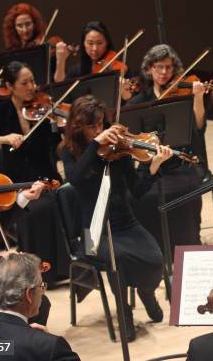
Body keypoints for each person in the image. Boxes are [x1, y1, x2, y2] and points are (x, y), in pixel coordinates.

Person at [60, 95, 171, 341]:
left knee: (155, 259)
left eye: (101, 124)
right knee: (116, 259)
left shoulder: (118, 150)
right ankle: (125, 315)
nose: (99, 131)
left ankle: (146, 292)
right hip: (92, 232)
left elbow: (138, 191)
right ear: (79, 127)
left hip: (125, 224)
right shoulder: (69, 152)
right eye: (92, 126)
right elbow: (75, 179)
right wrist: (93, 146)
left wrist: (153, 166)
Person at [0, 61, 67, 283]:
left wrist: (61, 129)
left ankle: (62, 269)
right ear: (10, 86)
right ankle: (41, 272)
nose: (32, 87)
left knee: (55, 201)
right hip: (17, 182)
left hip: (47, 176)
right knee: (36, 209)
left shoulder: (42, 109)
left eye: (33, 81)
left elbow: (54, 147)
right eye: (24, 83)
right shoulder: (0, 112)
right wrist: (3, 139)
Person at [125, 44, 206, 251]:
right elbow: (129, 138)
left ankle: (187, 248)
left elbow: (198, 127)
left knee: (186, 193)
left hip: (181, 163)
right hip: (150, 165)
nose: (163, 73)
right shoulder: (139, 101)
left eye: (168, 68)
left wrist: (197, 98)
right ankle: (157, 249)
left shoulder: (182, 96)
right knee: (140, 197)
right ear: (149, 69)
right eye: (159, 67)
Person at [0, 253, 80, 360]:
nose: (42, 292)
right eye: (41, 286)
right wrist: (44, 341)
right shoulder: (51, 347)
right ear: (28, 295)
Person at [53, 20, 126, 83]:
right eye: (90, 43)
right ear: (83, 43)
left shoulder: (117, 67)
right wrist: (60, 61)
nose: (94, 48)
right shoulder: (77, 71)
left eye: (100, 43)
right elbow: (60, 88)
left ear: (107, 43)